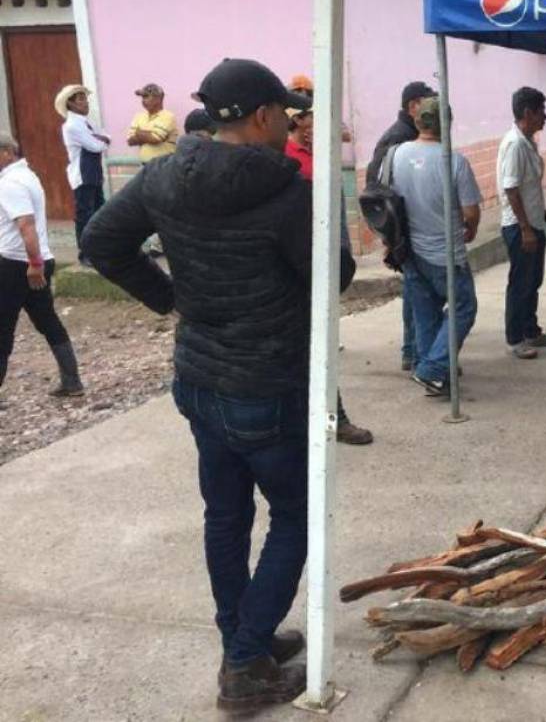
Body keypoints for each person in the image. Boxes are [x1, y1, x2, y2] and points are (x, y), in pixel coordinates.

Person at [81, 58, 356, 712]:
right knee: (295, 515)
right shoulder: (289, 194)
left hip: (200, 380)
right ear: (262, 117)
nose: (292, 121)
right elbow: (334, 276)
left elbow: (99, 240)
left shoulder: (161, 177)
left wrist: (170, 298)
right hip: (267, 384)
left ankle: (245, 639)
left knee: (226, 516)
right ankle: (244, 660)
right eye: (285, 112)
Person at [281, 105, 373, 445]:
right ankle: (316, 424)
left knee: (316, 354)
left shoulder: (318, 153)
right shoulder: (282, 157)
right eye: (307, 116)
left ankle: (334, 422)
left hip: (311, 265)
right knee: (306, 356)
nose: (312, 122)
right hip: (291, 267)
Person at [391, 97, 481, 397]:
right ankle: (432, 368)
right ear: (447, 123)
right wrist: (471, 228)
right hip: (445, 253)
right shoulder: (454, 161)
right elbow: (470, 212)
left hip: (410, 249)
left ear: (418, 122)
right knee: (463, 307)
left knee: (425, 311)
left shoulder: (398, 154)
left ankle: (428, 368)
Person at [0, 133, 84, 400]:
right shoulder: (27, 175)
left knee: (3, 326)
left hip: (17, 263)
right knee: (46, 319)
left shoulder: (11, 183)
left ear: (6, 152)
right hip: (34, 260)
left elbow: (26, 225)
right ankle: (72, 381)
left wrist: (33, 263)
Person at [367, 80, 435, 371]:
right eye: (428, 103)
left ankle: (413, 351)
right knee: (417, 293)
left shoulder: (408, 134)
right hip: (405, 231)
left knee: (414, 292)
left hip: (411, 229)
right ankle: (416, 353)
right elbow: (377, 191)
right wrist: (390, 237)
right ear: (413, 107)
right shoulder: (398, 140)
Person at [498, 86, 546, 359]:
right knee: (521, 282)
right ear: (528, 113)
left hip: (535, 223)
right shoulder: (514, 145)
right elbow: (511, 189)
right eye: (541, 112)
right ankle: (515, 338)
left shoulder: (527, 141)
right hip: (519, 226)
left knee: (533, 280)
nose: (545, 117)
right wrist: (525, 228)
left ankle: (530, 330)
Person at [56, 84, 109, 267]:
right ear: (70, 103)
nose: (85, 102)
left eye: (85, 98)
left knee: (99, 211)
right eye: (80, 99)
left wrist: (101, 139)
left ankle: (99, 248)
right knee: (85, 214)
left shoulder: (87, 122)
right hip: (82, 174)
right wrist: (101, 140)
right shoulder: (71, 126)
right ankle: (84, 252)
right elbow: (96, 145)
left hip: (94, 172)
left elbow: (104, 136)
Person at [126, 83, 178, 162]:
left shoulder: (168, 116)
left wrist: (138, 133)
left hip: (163, 166)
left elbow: (155, 138)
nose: (143, 101)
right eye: (142, 97)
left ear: (158, 98)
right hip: (145, 166)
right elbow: (130, 141)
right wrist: (147, 135)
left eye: (146, 97)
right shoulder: (139, 116)